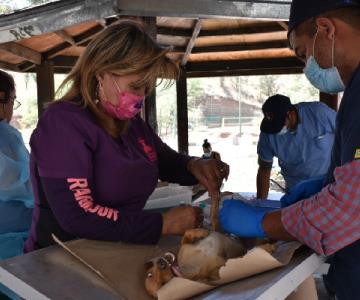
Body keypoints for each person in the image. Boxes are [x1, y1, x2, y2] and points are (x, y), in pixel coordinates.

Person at [25, 21, 229, 252]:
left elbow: (163, 160)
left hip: (118, 250)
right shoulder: (63, 124)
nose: (141, 98)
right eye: (136, 86)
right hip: (61, 257)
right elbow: (77, 214)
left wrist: (194, 166)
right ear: (101, 73)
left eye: (147, 89)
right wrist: (163, 224)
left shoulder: (131, 125)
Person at [220, 1, 360, 299]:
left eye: (303, 53)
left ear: (326, 29)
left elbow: (351, 208)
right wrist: (325, 187)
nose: (305, 64)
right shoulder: (354, 92)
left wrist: (263, 223)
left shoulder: (332, 108)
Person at [256, 94, 336, 199]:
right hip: (296, 192)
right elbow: (264, 169)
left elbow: (348, 133)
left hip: (329, 187)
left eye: (279, 124)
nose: (276, 130)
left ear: (291, 114)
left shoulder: (319, 112)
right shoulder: (268, 133)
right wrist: (261, 203)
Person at [0, 70, 34, 299]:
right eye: (13, 99)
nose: (13, 106)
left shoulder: (7, 134)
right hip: (9, 241)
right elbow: (16, 181)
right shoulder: (6, 136)